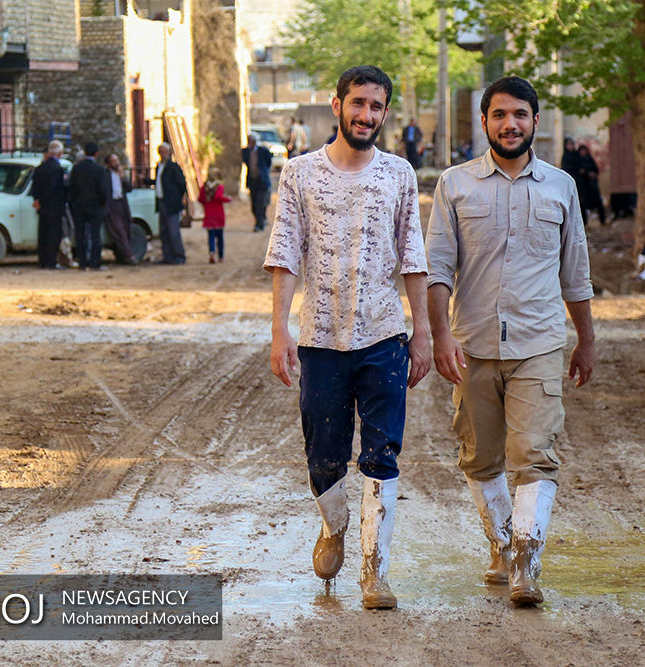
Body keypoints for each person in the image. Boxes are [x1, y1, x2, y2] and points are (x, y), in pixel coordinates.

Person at [264, 65, 430, 610]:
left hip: (384, 335)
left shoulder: (399, 174)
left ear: (385, 113)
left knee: (382, 452)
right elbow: (286, 253)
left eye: (376, 107)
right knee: (324, 455)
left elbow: (413, 259)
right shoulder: (299, 174)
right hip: (319, 339)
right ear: (337, 106)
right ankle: (333, 527)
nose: (366, 115)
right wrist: (279, 330)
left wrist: (422, 334)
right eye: (357, 103)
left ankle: (374, 572)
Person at [426, 76, 595, 607]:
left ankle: (526, 562)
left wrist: (585, 340)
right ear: (485, 122)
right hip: (471, 343)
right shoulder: (454, 185)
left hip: (539, 342)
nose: (510, 124)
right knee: (479, 458)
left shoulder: (561, 187)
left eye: (520, 114)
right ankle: (500, 544)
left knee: (535, 456)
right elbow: (436, 269)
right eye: (500, 115)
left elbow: (576, 273)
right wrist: (438, 338)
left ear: (534, 122)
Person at [68, 142, 110, 271]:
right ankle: (95, 261)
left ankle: (82, 261)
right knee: (95, 234)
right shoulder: (99, 170)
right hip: (95, 206)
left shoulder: (77, 169)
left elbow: (71, 188)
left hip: (79, 206)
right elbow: (103, 189)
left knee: (80, 235)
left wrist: (74, 203)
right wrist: (103, 203)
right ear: (96, 154)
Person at [29, 140, 67, 269]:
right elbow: (56, 189)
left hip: (42, 206)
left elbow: (35, 187)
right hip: (54, 206)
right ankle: (51, 261)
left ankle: (43, 260)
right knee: (53, 234)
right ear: (60, 153)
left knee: (43, 234)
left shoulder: (40, 168)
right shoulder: (58, 169)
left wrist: (38, 200)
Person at [150, 142, 187, 264]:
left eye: (165, 152)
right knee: (164, 231)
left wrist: (176, 197)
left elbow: (182, 184)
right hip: (162, 201)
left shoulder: (173, 167)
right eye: (161, 152)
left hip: (171, 203)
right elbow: (158, 182)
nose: (163, 154)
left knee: (173, 231)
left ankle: (179, 256)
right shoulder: (159, 166)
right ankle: (168, 256)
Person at [104, 153, 135, 264]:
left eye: (117, 160)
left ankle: (123, 257)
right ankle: (129, 256)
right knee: (119, 231)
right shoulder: (105, 174)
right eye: (113, 161)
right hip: (111, 205)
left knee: (126, 230)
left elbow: (129, 189)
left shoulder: (121, 174)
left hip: (121, 204)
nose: (116, 163)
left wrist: (123, 178)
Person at [241, 132, 273, 232]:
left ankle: (259, 224)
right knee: (254, 205)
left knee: (260, 203)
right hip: (252, 181)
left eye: (251, 140)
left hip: (262, 181)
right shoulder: (245, 151)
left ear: (254, 141)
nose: (249, 142)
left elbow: (268, 162)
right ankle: (260, 220)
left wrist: (263, 172)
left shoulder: (263, 151)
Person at [199, 166, 231, 263]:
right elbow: (218, 197)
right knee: (220, 238)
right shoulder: (219, 187)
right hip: (219, 215)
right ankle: (220, 256)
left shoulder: (204, 187)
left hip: (208, 214)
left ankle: (212, 252)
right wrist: (228, 199)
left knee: (211, 237)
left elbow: (200, 199)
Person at [576, 144, 606, 225]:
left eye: (584, 150)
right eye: (582, 150)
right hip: (583, 187)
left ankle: (603, 221)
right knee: (583, 205)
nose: (583, 152)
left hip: (592, 186)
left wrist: (592, 174)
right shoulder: (578, 160)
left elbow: (596, 169)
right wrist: (587, 173)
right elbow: (579, 172)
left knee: (599, 203)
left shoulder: (589, 159)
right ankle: (585, 224)